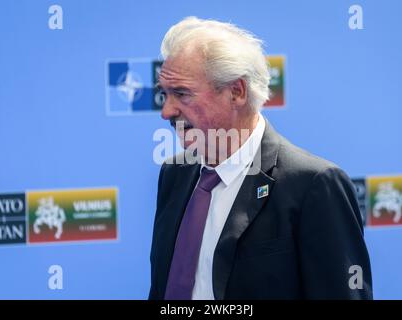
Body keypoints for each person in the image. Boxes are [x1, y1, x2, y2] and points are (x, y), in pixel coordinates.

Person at [149, 16, 373, 300]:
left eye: (181, 94)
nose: (166, 112)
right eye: (165, 95)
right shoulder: (174, 174)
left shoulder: (313, 184)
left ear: (237, 92)